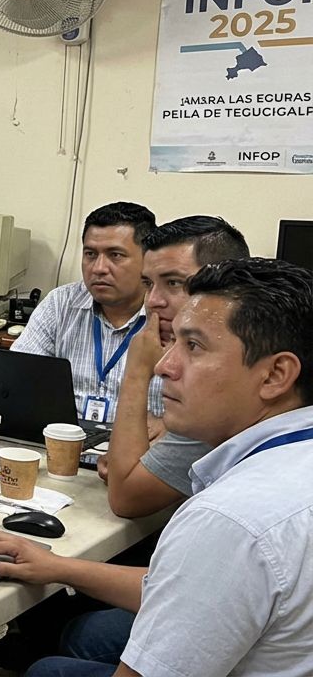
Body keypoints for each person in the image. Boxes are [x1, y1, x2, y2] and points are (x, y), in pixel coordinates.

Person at [0, 257, 313, 677]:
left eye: (193, 346)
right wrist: (58, 567)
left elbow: (211, 554)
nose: (163, 366)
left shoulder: (228, 520)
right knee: (84, 637)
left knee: (49, 671)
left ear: (276, 375)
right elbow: (190, 588)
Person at [102, 216, 249, 518]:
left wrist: (137, 372)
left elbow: (127, 498)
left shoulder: (226, 368)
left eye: (174, 283)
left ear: (223, 285)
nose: (153, 301)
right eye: (148, 284)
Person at [12, 202, 160, 425]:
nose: (99, 268)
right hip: (64, 434)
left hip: (139, 440)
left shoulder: (170, 313)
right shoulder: (61, 303)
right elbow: (18, 377)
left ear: (148, 260)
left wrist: (170, 425)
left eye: (115, 255)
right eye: (90, 254)